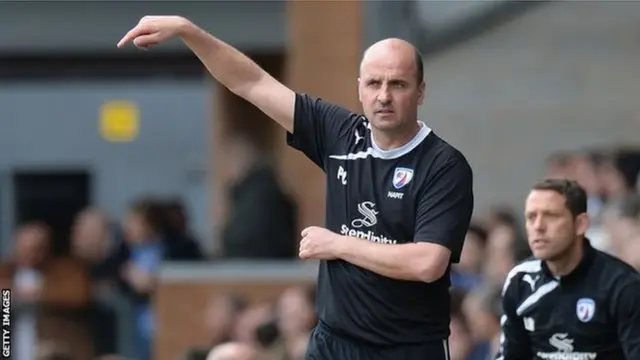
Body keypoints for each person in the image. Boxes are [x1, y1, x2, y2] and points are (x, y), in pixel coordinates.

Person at [118, 16, 474, 360]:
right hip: (335, 341)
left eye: (398, 84)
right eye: (374, 83)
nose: (384, 96)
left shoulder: (443, 165)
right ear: (360, 89)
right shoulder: (341, 135)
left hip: (408, 346)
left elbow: (426, 263)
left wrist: (338, 244)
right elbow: (251, 82)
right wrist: (188, 30)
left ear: (421, 92)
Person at [496, 179, 640, 360]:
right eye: (531, 217)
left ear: (581, 224)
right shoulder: (521, 280)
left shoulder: (622, 285)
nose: (538, 226)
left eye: (551, 216)